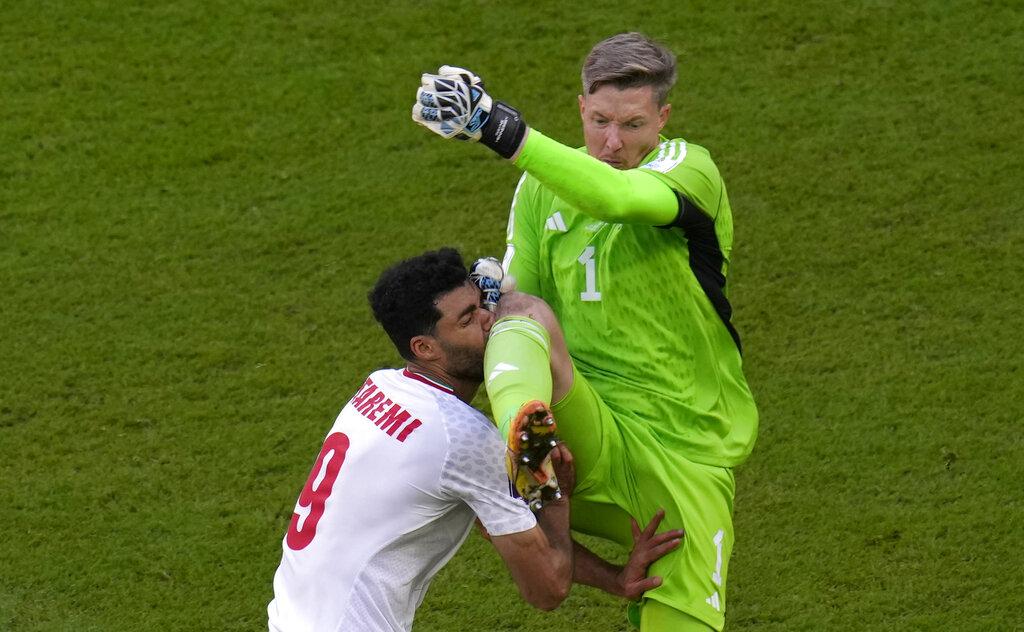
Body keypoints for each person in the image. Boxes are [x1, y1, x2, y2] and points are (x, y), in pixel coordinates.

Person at [412, 33, 758, 631]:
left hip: (686, 457)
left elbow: (616, 200)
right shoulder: (541, 187)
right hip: (585, 429)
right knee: (520, 310)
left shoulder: (689, 169)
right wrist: (490, 293)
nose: (612, 142)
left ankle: (528, 454)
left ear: (663, 119)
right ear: (580, 109)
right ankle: (525, 437)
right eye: (599, 122)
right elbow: (515, 303)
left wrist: (496, 127)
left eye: (632, 124)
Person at [267, 248, 683, 632]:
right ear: (424, 347)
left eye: (480, 305)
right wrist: (556, 500)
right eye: (467, 320)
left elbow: (515, 533)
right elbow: (548, 589)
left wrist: (614, 579)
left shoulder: (377, 388)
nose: (489, 319)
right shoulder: (463, 439)